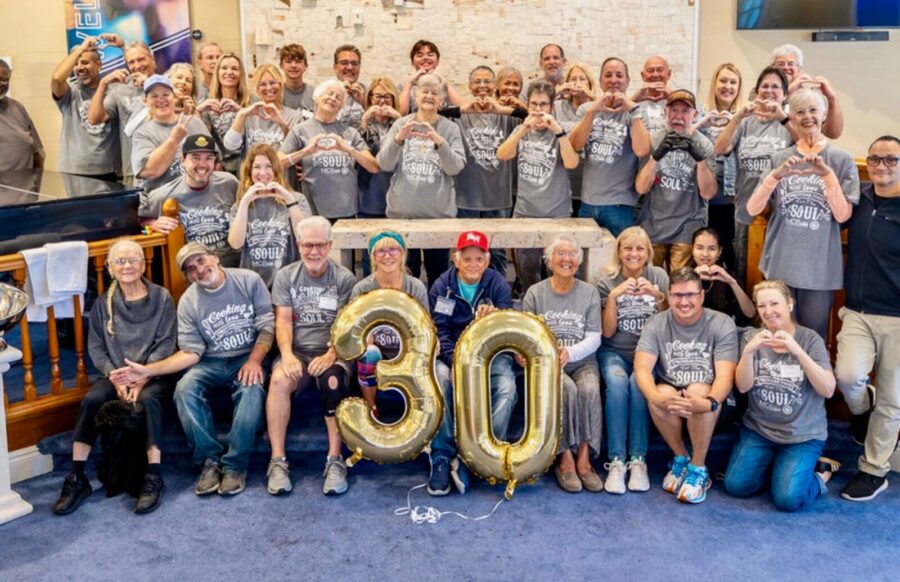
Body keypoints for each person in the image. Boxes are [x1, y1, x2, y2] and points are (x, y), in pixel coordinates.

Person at [117, 242, 274, 497]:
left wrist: (255, 361)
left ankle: (235, 466)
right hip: (209, 361)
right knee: (185, 388)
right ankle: (209, 461)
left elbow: (267, 327)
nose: (199, 270)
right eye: (190, 268)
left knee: (252, 388)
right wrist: (148, 370)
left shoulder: (248, 280)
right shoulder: (188, 301)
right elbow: (191, 352)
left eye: (201, 261)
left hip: (247, 356)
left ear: (215, 257)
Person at [52, 240, 176, 516]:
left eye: (133, 260)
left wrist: (143, 375)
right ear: (110, 268)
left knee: (149, 400)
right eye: (120, 261)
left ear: (143, 265)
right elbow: (96, 346)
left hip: (153, 373)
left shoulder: (162, 297)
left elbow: (167, 342)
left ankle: (153, 476)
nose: (127, 266)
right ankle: (77, 477)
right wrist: (116, 376)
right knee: (92, 398)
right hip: (117, 374)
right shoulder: (102, 304)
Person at [746, 88, 859, 340]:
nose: (807, 117)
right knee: (776, 334)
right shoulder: (780, 158)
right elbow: (753, 209)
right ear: (792, 118)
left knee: (813, 336)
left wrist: (827, 176)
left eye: (813, 110)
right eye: (799, 112)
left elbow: (843, 216)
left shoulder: (842, 160)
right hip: (780, 262)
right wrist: (775, 177)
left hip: (819, 267)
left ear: (824, 115)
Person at [724, 280, 838, 512]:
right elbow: (743, 387)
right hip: (759, 430)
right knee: (736, 486)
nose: (768, 311)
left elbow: (827, 390)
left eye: (774, 303)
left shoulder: (810, 339)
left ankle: (820, 476)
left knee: (787, 500)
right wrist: (749, 352)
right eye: (762, 305)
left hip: (801, 434)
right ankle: (781, 471)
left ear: (790, 304)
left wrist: (798, 352)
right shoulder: (751, 337)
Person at [266, 217, 356, 496]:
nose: (314, 252)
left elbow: (346, 325)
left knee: (332, 381)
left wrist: (331, 354)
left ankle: (335, 459)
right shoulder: (285, 276)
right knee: (279, 381)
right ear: (298, 245)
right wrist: (287, 355)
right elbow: (283, 321)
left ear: (329, 246)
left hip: (332, 351)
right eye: (308, 245)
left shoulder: (344, 278)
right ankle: (277, 460)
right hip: (297, 351)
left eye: (320, 245)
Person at [634, 267, 738, 504]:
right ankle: (681, 458)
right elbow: (642, 368)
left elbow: (725, 375)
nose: (684, 302)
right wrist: (653, 396)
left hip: (711, 400)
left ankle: (698, 468)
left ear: (701, 296)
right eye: (678, 295)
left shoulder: (721, 323)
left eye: (690, 295)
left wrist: (709, 402)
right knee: (659, 392)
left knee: (697, 392)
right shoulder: (656, 323)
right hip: (673, 395)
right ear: (670, 296)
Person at [427, 230, 516, 496]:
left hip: (491, 355)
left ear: (487, 261)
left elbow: (508, 330)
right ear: (456, 260)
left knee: (507, 386)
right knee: (439, 379)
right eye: (467, 259)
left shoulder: (498, 284)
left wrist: (495, 317)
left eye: (478, 259)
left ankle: (481, 452)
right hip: (452, 355)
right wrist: (457, 363)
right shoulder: (441, 286)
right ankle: (442, 455)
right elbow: (440, 332)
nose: (473, 264)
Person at [836, 135, 900, 502]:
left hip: (897, 318)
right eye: (875, 159)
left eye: (891, 160)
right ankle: (862, 408)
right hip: (858, 311)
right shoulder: (858, 199)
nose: (881, 166)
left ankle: (874, 469)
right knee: (848, 377)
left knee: (892, 399)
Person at [522, 235, 603, 493]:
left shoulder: (589, 292)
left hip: (582, 360)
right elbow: (526, 334)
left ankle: (584, 459)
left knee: (589, 389)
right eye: (560, 254)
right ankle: (565, 458)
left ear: (579, 261)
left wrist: (570, 352)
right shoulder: (535, 293)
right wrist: (544, 355)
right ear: (549, 260)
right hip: (548, 363)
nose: (567, 259)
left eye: (572, 255)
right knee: (566, 389)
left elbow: (595, 337)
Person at [596, 226, 668, 494]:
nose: (634, 254)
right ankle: (616, 461)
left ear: (648, 252)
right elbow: (607, 332)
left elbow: (670, 320)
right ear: (619, 252)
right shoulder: (606, 281)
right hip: (614, 351)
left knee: (639, 385)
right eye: (627, 248)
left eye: (640, 249)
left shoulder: (658, 276)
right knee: (617, 385)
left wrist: (658, 296)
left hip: (648, 354)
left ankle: (638, 460)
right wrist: (615, 297)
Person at [376, 73, 466, 283]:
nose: (429, 96)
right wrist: (399, 139)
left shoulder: (450, 128)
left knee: (439, 277)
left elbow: (455, 168)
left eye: (435, 93)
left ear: (442, 100)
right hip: (402, 217)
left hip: (438, 218)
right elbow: (384, 163)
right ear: (416, 96)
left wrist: (440, 143)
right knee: (405, 276)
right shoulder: (400, 124)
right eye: (425, 91)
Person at [497, 80, 579, 290]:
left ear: (552, 107)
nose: (538, 109)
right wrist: (523, 129)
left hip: (557, 213)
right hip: (525, 213)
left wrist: (558, 131)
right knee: (528, 273)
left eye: (543, 104)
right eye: (534, 104)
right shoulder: (521, 129)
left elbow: (571, 163)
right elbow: (503, 154)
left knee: (558, 271)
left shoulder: (564, 129)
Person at [714, 67, 794, 282]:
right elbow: (720, 148)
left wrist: (783, 118)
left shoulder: (789, 122)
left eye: (775, 87)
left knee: (774, 276)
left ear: (785, 94)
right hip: (744, 210)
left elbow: (807, 144)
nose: (769, 91)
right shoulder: (746, 122)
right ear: (757, 91)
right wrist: (737, 117)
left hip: (779, 213)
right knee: (744, 271)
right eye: (764, 86)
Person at [635, 89, 717, 272]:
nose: (678, 116)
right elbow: (641, 188)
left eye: (685, 111)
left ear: (694, 115)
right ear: (665, 112)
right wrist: (655, 157)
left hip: (688, 224)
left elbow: (708, 193)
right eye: (674, 110)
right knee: (651, 278)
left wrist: (699, 159)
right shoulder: (653, 140)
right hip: (653, 222)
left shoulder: (704, 144)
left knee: (680, 279)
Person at [570, 57, 650, 236]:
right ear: (600, 81)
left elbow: (642, 150)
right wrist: (592, 111)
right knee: (586, 253)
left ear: (627, 81)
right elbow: (575, 145)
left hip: (621, 206)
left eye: (619, 75)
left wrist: (633, 111)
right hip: (588, 203)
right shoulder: (586, 109)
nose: (613, 80)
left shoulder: (636, 112)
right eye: (608, 75)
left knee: (622, 253)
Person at [350, 230, 429, 413]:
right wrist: (364, 338)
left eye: (393, 250)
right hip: (378, 350)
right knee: (368, 353)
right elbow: (354, 328)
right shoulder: (362, 288)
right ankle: (372, 409)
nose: (387, 256)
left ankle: (417, 413)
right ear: (373, 257)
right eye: (381, 251)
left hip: (408, 349)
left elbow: (425, 325)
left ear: (402, 254)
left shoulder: (415, 287)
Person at [279, 80, 379, 220]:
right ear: (317, 97)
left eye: (338, 97)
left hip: (347, 213)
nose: (333, 99)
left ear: (341, 106)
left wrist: (349, 150)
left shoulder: (350, 132)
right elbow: (277, 163)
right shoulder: (300, 130)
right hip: (313, 213)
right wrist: (305, 151)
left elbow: (373, 167)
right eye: (329, 94)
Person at [454, 65, 520, 275]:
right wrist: (465, 108)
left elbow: (531, 116)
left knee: (497, 252)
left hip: (498, 197)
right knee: (465, 252)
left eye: (487, 81)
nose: (482, 85)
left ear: (495, 86)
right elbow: (437, 113)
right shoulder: (460, 115)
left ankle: (498, 291)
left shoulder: (506, 116)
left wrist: (501, 109)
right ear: (470, 86)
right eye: (477, 81)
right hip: (466, 198)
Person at [139, 135, 239, 267]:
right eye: (195, 158)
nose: (202, 164)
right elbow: (139, 221)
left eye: (209, 158)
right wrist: (153, 224)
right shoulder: (164, 195)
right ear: (183, 161)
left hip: (232, 267)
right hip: (192, 270)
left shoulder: (229, 183)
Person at [228, 143, 312, 287]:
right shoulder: (240, 205)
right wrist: (244, 202)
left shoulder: (297, 199)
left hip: (289, 282)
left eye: (268, 166)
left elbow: (305, 238)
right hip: (253, 284)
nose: (263, 173)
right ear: (249, 171)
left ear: (276, 169)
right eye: (257, 167)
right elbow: (236, 244)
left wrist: (289, 200)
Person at [50, 35, 120, 179]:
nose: (79, 68)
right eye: (76, 64)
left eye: (85, 62)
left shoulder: (114, 90)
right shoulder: (70, 92)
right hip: (75, 170)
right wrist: (81, 48)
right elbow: (57, 79)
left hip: (110, 170)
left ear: (99, 65)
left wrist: (122, 46)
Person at [694, 63, 743, 269]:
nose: (727, 86)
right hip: (701, 199)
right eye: (723, 81)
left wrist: (736, 123)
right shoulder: (699, 114)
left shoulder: (745, 118)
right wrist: (701, 124)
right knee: (702, 254)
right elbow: (685, 139)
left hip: (731, 200)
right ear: (714, 83)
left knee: (729, 254)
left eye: (733, 82)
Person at [86, 39, 156, 179]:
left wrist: (149, 84)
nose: (137, 66)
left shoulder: (167, 84)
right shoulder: (120, 90)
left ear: (152, 59)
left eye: (141, 59)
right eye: (131, 62)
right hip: (133, 171)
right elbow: (94, 119)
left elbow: (178, 110)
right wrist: (103, 84)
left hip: (166, 167)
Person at [131, 74, 211, 192]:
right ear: (145, 101)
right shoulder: (142, 133)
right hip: (162, 199)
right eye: (154, 96)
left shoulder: (195, 123)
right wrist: (174, 139)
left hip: (197, 197)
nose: (161, 99)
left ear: (175, 97)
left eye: (165, 94)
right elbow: (150, 171)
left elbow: (215, 162)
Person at [223, 64, 305, 163]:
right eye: (263, 84)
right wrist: (242, 115)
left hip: (282, 172)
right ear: (257, 89)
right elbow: (230, 146)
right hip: (253, 171)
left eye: (273, 83)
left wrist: (282, 125)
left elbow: (299, 152)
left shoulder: (295, 116)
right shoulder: (249, 115)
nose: (269, 88)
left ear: (281, 85)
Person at [197, 53, 251, 174]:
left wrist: (241, 111)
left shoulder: (251, 101)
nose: (229, 72)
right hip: (220, 165)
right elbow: (203, 138)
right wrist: (198, 111)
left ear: (241, 74)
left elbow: (258, 129)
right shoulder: (208, 103)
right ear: (217, 73)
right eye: (224, 68)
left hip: (248, 163)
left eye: (234, 69)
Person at [358, 77, 402, 223]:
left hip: (396, 192)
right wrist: (364, 122)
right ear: (370, 98)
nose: (382, 101)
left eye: (387, 97)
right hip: (369, 192)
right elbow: (358, 153)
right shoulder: (360, 123)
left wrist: (400, 119)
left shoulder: (401, 123)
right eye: (378, 96)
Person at [555, 63, 596, 214]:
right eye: (573, 79)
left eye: (582, 79)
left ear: (590, 83)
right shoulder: (558, 106)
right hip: (562, 181)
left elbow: (614, 108)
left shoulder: (598, 106)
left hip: (589, 183)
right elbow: (537, 107)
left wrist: (591, 95)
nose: (577, 84)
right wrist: (557, 91)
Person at [691, 227, 754, 324]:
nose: (705, 254)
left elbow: (750, 313)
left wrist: (733, 283)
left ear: (719, 252)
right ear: (692, 249)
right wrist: (692, 278)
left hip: (723, 328)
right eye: (700, 248)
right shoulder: (683, 276)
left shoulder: (729, 276)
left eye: (712, 249)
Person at [0, 58, 44, 171]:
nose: (1, 84)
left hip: (24, 180)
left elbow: (37, 150)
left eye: (5, 80)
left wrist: (36, 178)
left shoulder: (17, 107)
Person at [398, 39, 463, 115]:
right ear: (412, 62)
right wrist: (409, 83)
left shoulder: (445, 85)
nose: (425, 58)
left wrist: (446, 84)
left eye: (430, 55)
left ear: (437, 61)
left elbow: (465, 109)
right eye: (420, 55)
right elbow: (400, 114)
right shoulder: (402, 87)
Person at [631, 55, 672, 135]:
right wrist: (633, 99)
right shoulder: (634, 102)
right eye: (650, 71)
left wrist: (674, 97)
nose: (655, 75)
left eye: (660, 70)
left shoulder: (677, 101)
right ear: (642, 75)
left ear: (669, 74)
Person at [331, 44, 366, 129]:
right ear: (335, 67)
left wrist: (364, 103)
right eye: (344, 63)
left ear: (359, 67)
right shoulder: (324, 92)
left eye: (354, 63)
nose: (350, 67)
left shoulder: (370, 92)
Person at [279, 43, 314, 113]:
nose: (293, 65)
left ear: (306, 65)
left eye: (298, 62)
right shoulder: (276, 94)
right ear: (281, 66)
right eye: (288, 62)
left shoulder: (315, 94)